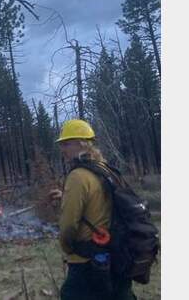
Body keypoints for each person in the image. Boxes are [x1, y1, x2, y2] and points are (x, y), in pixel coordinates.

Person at [48, 119, 136, 300]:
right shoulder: (105, 169)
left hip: (86, 260)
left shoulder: (77, 176)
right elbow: (100, 202)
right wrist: (66, 197)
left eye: (66, 144)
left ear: (82, 143)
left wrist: (68, 248)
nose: (62, 149)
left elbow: (68, 225)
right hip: (116, 253)